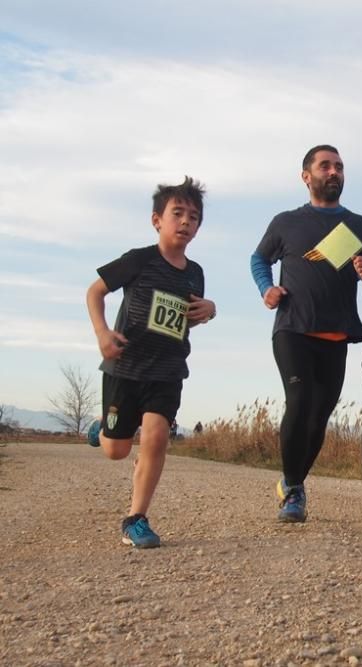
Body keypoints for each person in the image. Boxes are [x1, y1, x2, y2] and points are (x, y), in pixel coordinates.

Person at [251, 145, 362, 523]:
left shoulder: (359, 225)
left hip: (336, 334)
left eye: (339, 167)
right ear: (306, 176)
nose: (334, 172)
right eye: (325, 166)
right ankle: (295, 491)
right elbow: (259, 258)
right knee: (299, 402)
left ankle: (291, 481)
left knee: (318, 418)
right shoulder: (286, 222)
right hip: (293, 329)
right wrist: (267, 288)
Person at [85, 176, 216, 549]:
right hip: (125, 367)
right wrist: (102, 333)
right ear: (157, 220)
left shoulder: (195, 273)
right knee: (116, 450)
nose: (186, 221)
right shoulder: (138, 260)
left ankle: (135, 519)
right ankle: (103, 427)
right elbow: (95, 292)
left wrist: (209, 310)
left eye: (194, 216)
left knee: (156, 437)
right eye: (178, 213)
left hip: (167, 370)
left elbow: (188, 316)